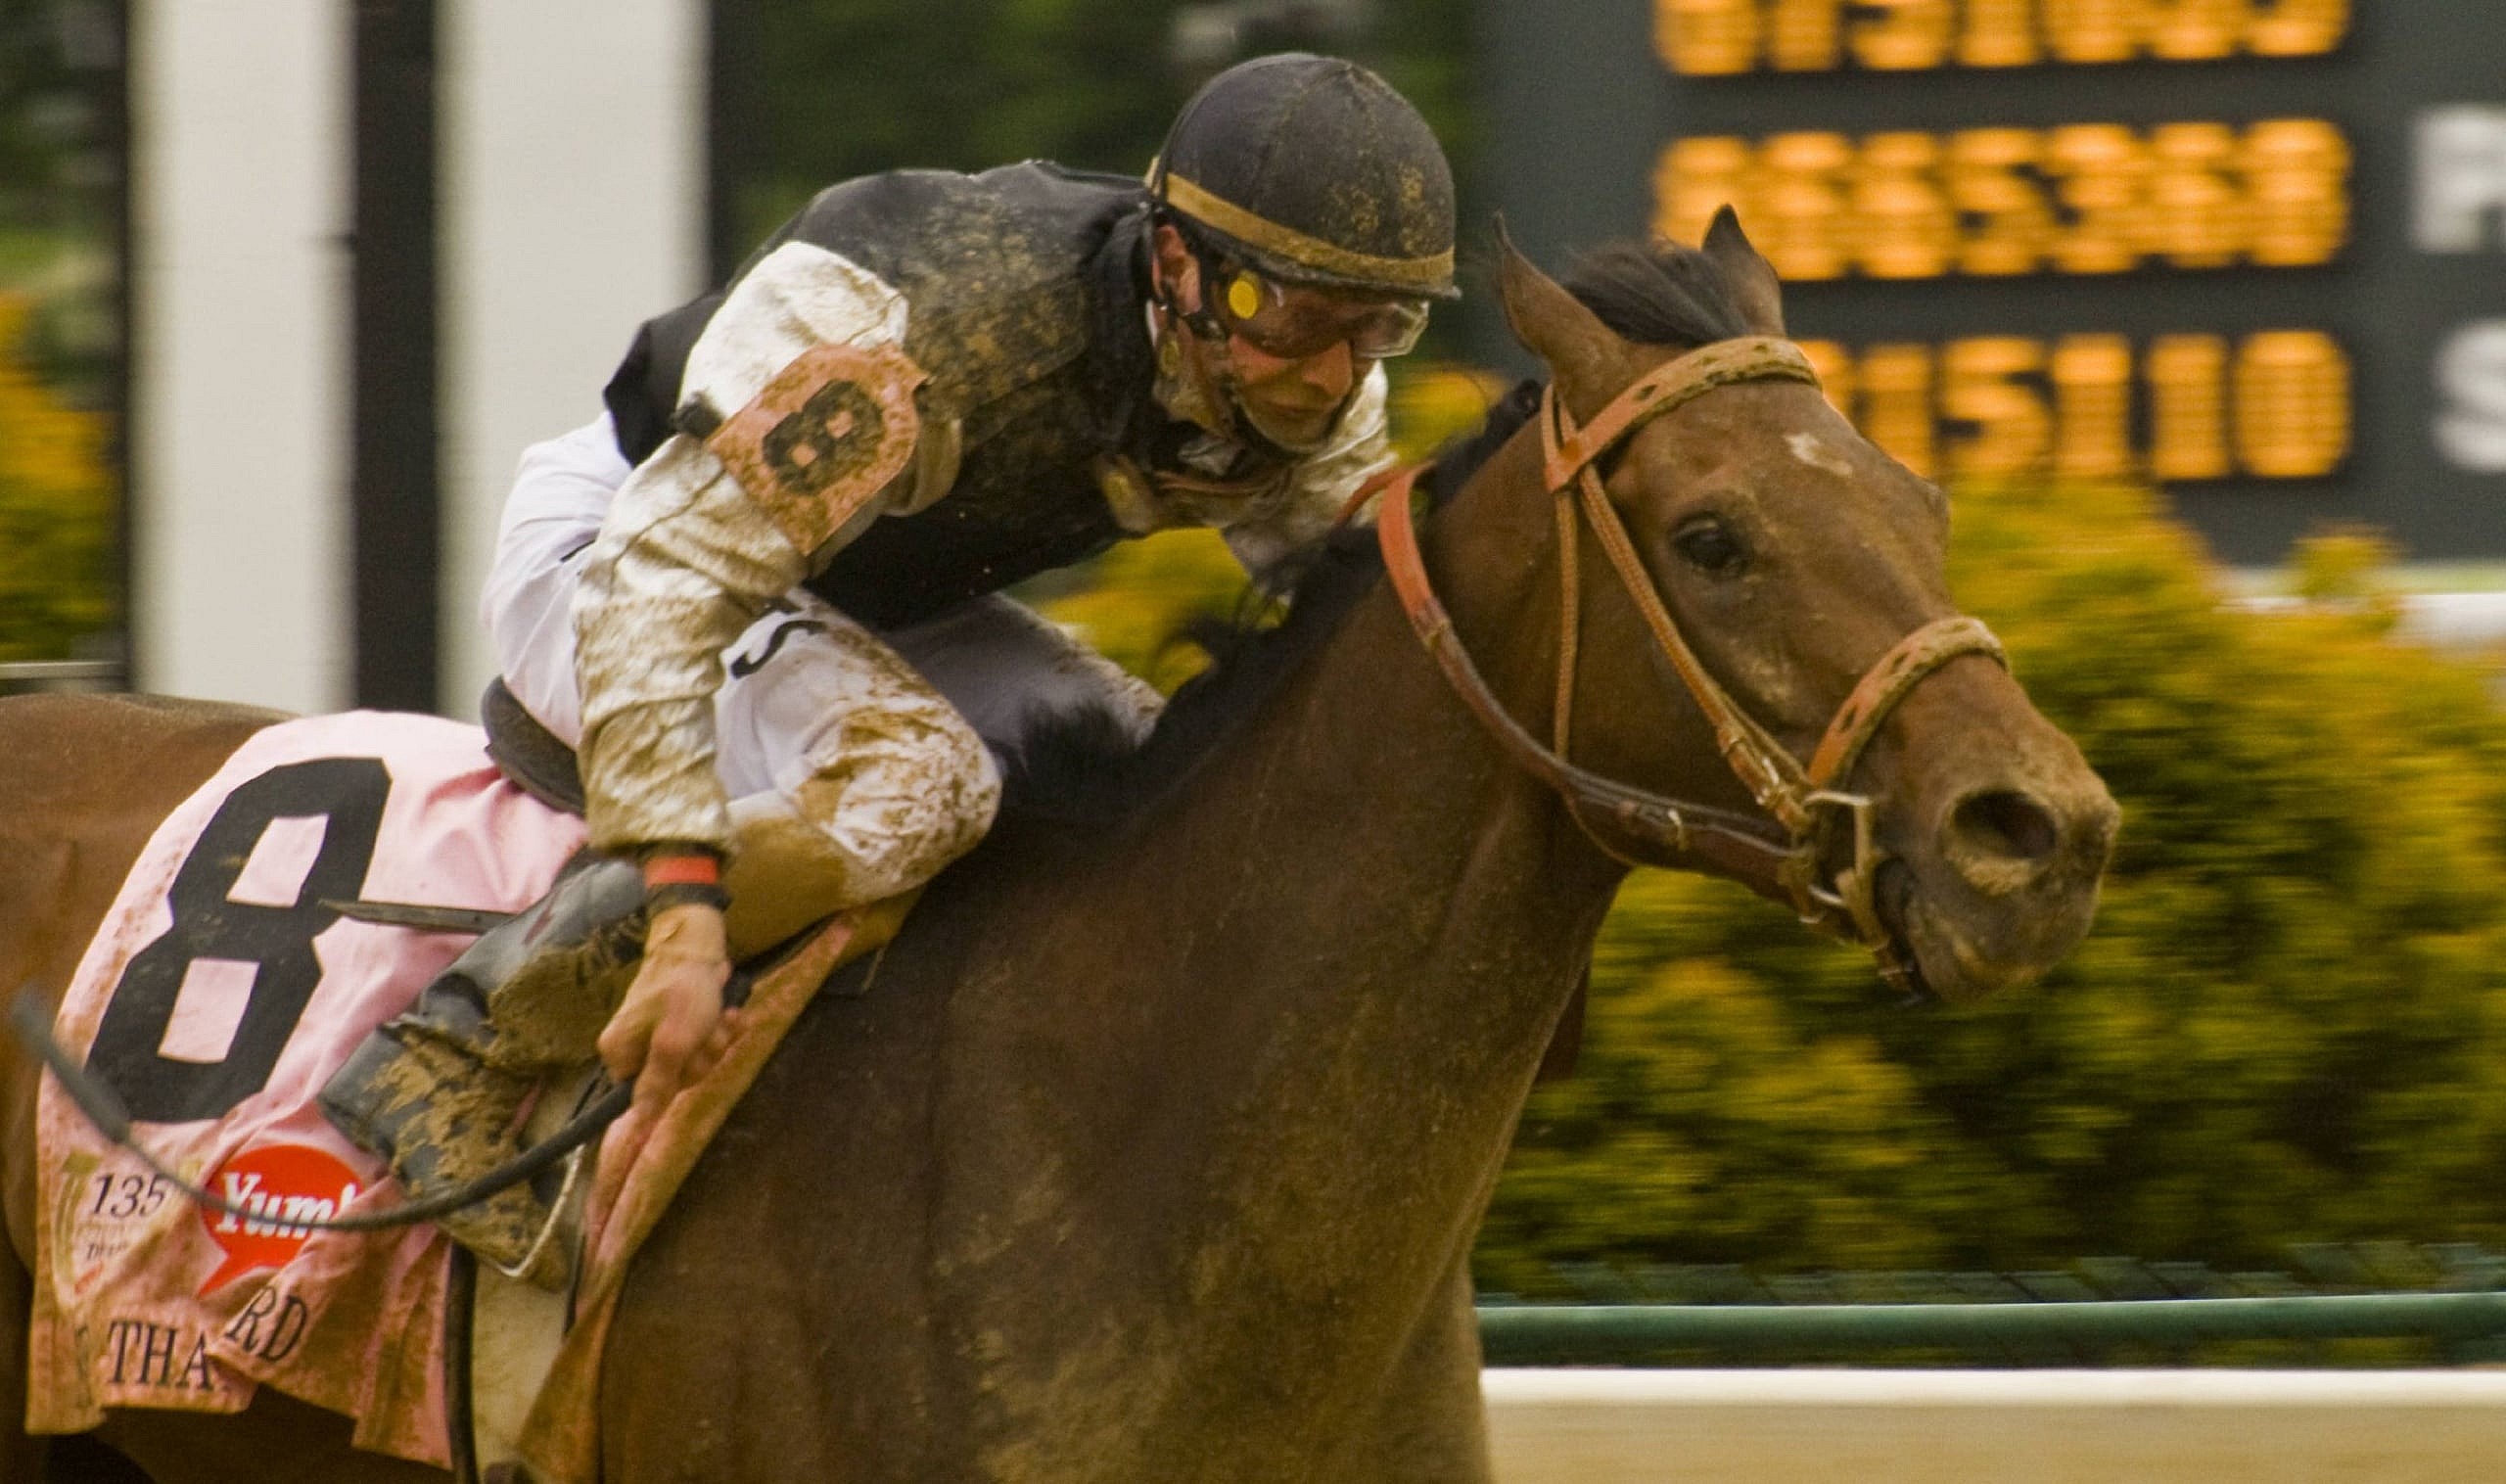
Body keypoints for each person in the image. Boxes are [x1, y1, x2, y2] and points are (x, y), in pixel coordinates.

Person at [318, 52, 1458, 1286]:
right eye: (1292, 318)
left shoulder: (1308, 372)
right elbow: (666, 584)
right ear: (1178, 264)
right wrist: (690, 918)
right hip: (627, 554)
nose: (1334, 374)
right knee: (918, 778)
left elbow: (1365, 626)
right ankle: (456, 1049)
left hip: (859, 587)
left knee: (1161, 773)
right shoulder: (919, 316)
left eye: (1376, 327)